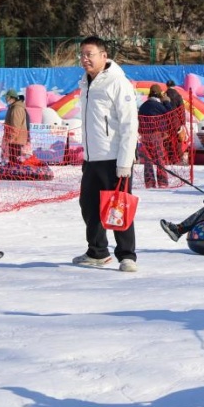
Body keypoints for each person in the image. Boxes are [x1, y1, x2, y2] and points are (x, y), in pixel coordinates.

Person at [75, 36, 139, 273]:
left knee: (118, 206)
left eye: (89, 54)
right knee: (89, 206)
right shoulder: (86, 82)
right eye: (82, 54)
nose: (84, 59)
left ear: (103, 56)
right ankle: (97, 251)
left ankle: (127, 256)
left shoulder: (117, 82)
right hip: (92, 159)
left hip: (114, 159)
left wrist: (125, 162)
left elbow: (129, 124)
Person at [137, 84, 171, 189]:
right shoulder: (159, 106)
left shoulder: (143, 106)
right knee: (159, 158)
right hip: (156, 135)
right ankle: (162, 182)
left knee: (148, 160)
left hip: (144, 135)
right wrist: (166, 101)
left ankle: (149, 182)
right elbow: (169, 112)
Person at [1, 90, 29, 165]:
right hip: (14, 138)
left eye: (7, 97)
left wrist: (11, 138)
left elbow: (16, 126)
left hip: (16, 139)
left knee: (15, 159)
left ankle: (15, 175)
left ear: (11, 97)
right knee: (13, 159)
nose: (6, 99)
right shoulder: (13, 107)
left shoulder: (17, 108)